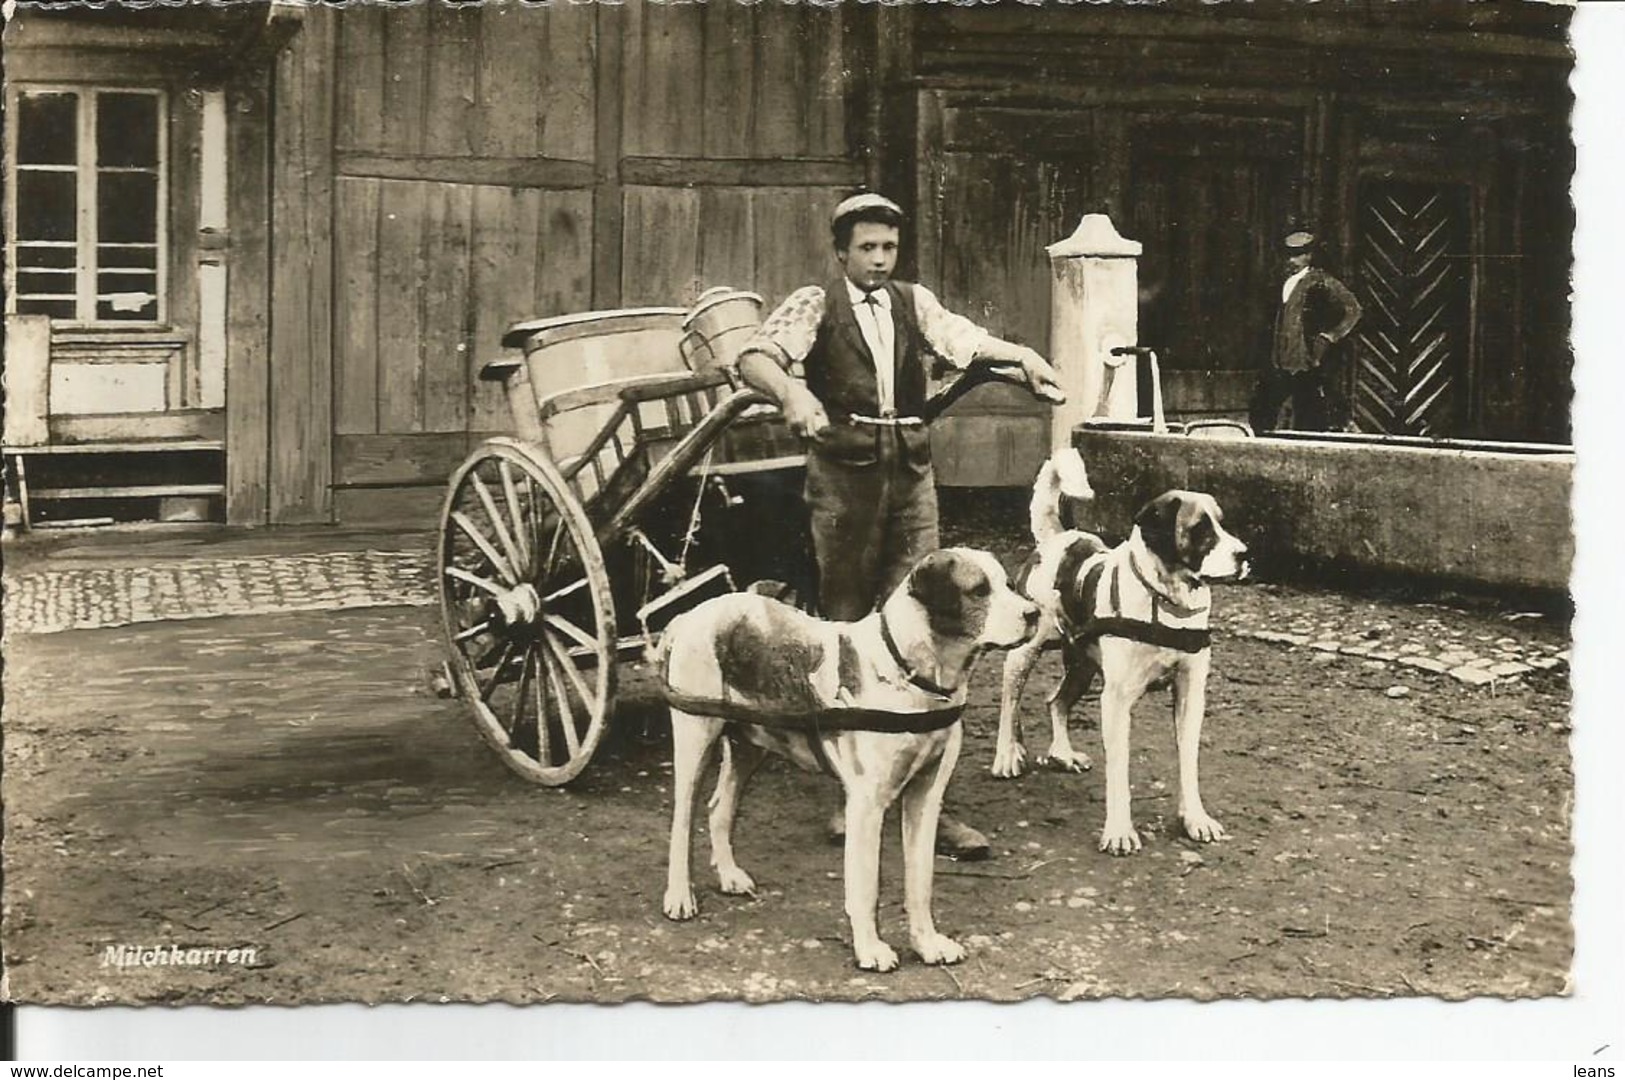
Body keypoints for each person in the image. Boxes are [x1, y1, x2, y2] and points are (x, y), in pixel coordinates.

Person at [735, 192, 1066, 860]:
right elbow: (753, 357)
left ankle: (933, 804)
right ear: (841, 252)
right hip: (843, 482)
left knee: (932, 627)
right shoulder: (814, 302)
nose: (880, 260)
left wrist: (1021, 356)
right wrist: (794, 391)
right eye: (867, 249)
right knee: (849, 624)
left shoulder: (914, 303)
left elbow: (966, 342)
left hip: (910, 478)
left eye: (888, 247)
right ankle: (848, 795)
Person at [1249, 230, 1363, 433]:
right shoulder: (1284, 282)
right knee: (1265, 407)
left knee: (1310, 412)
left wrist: (1332, 335)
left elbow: (1353, 308)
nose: (1291, 260)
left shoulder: (1321, 281)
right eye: (1289, 255)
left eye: (1298, 254)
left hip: (1306, 358)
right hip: (1280, 359)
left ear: (1309, 255)